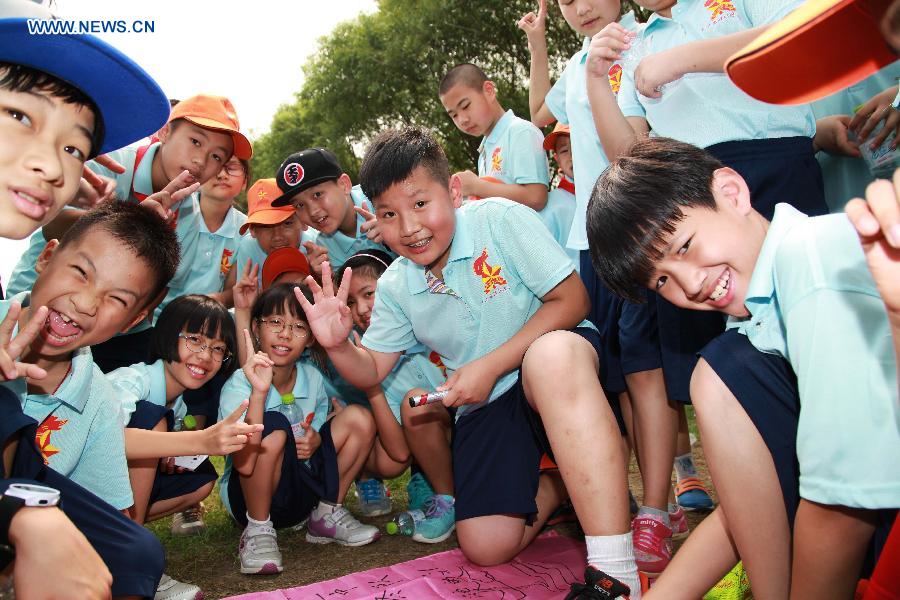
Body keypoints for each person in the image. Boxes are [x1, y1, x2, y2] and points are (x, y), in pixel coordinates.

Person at [298, 126, 642, 598]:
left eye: (421, 204)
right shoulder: (397, 285)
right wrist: (339, 346)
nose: (410, 227)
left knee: (552, 356)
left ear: (454, 192)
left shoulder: (500, 218)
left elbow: (572, 299)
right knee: (484, 545)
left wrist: (492, 365)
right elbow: (371, 370)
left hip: (554, 364)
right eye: (390, 215)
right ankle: (564, 484)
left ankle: (616, 575)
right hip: (489, 397)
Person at [587, 135, 900, 599]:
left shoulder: (810, 258)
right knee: (719, 372)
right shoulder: (755, 323)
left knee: (718, 376)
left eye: (685, 246)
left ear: (731, 193)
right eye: (662, 281)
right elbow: (746, 505)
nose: (689, 284)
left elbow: (839, 508)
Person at [521, 0, 696, 575]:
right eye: (566, 1)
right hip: (588, 239)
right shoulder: (577, 61)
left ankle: (652, 506)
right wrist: (539, 42)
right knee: (616, 373)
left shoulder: (648, 42)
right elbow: (538, 111)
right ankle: (653, 501)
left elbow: (641, 149)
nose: (580, 7)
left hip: (641, 228)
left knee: (647, 369)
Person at [0, 201, 181, 598]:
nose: (85, 303)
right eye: (81, 272)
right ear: (47, 257)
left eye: (117, 299)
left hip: (29, 520)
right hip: (19, 522)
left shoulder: (97, 397)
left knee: (138, 551)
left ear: (133, 320)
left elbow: (111, 515)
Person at [218, 284, 380, 576]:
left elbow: (315, 437)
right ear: (257, 328)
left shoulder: (312, 378)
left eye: (298, 327)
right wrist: (258, 392)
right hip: (249, 496)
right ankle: (257, 530)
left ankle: (327, 512)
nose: (285, 334)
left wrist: (315, 440)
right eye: (276, 322)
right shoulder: (238, 385)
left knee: (359, 418)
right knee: (273, 424)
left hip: (301, 490)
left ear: (309, 339)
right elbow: (243, 464)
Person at [107, 294, 259, 599]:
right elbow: (106, 441)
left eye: (218, 349)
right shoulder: (131, 380)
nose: (205, 356)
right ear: (166, 335)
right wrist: (199, 439)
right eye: (195, 339)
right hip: (67, 486)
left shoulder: (177, 404)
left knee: (200, 478)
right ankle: (131, 561)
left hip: (109, 492)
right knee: (151, 417)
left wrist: (169, 449)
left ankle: (116, 545)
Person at [334, 250, 446, 523]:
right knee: (415, 406)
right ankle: (447, 498)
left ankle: (434, 479)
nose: (361, 309)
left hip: (473, 417)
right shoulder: (374, 363)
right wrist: (372, 385)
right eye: (350, 302)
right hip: (437, 428)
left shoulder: (434, 321)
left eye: (368, 294)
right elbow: (397, 454)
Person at [438, 63, 549, 211]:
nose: (462, 119)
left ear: (489, 91)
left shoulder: (520, 132)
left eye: (465, 106)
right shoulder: (485, 151)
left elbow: (536, 197)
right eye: (454, 115)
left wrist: (476, 186)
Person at [270, 147, 394, 271]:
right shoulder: (325, 247)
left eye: (317, 195)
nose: (312, 212)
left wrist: (396, 234)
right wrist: (326, 276)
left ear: (344, 185)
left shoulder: (384, 198)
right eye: (300, 205)